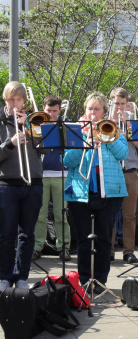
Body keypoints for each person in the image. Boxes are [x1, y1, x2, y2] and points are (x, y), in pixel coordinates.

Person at [64, 91, 128, 291]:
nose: (93, 113)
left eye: (97, 109)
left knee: (103, 238)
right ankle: (83, 280)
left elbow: (123, 154)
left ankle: (100, 281)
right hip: (80, 190)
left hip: (109, 191)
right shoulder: (74, 131)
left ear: (104, 112)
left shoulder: (113, 129)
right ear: (84, 111)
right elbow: (66, 161)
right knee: (83, 239)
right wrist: (84, 141)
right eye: (90, 109)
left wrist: (107, 137)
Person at [0, 81, 44, 292]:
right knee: (6, 234)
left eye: (19, 99)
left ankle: (22, 277)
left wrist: (31, 129)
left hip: (33, 184)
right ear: (5, 100)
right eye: (11, 99)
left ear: (25, 101)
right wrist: (10, 144)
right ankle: (5, 276)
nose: (15, 103)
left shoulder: (34, 121)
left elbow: (47, 147)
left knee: (27, 234)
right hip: (7, 185)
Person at [33, 95, 72, 262]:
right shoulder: (37, 123)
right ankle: (37, 246)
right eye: (48, 111)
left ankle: (64, 247)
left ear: (59, 110)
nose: (51, 114)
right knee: (39, 214)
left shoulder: (65, 124)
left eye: (54, 111)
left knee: (61, 214)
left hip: (60, 174)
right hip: (40, 175)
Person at [109, 88, 138, 264]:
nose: (120, 107)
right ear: (111, 103)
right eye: (117, 104)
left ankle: (129, 251)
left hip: (129, 169)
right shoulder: (106, 120)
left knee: (130, 215)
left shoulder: (132, 120)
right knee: (110, 214)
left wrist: (128, 126)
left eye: (123, 104)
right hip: (111, 170)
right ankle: (109, 250)